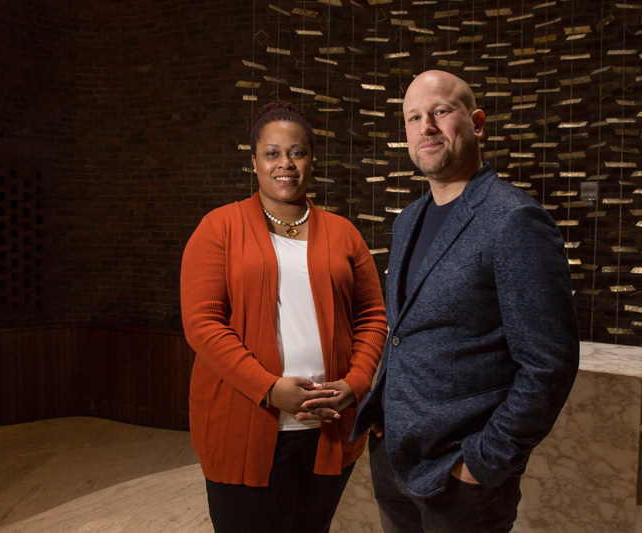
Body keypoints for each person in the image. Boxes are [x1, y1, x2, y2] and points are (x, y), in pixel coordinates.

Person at [350, 70, 580, 533]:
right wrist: (383, 412)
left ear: (476, 123)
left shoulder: (514, 219)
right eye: (413, 118)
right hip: (394, 458)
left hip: (462, 478)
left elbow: (548, 364)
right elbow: (406, 331)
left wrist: (484, 461)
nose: (426, 127)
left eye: (439, 111)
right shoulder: (408, 219)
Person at [181, 101, 388, 533]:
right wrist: (270, 389)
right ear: (254, 160)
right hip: (244, 424)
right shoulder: (218, 227)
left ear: (312, 159)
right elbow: (203, 324)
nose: (285, 164)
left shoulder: (344, 232)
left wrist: (355, 385)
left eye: (297, 152)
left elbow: (373, 317)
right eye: (272, 153)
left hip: (328, 425)